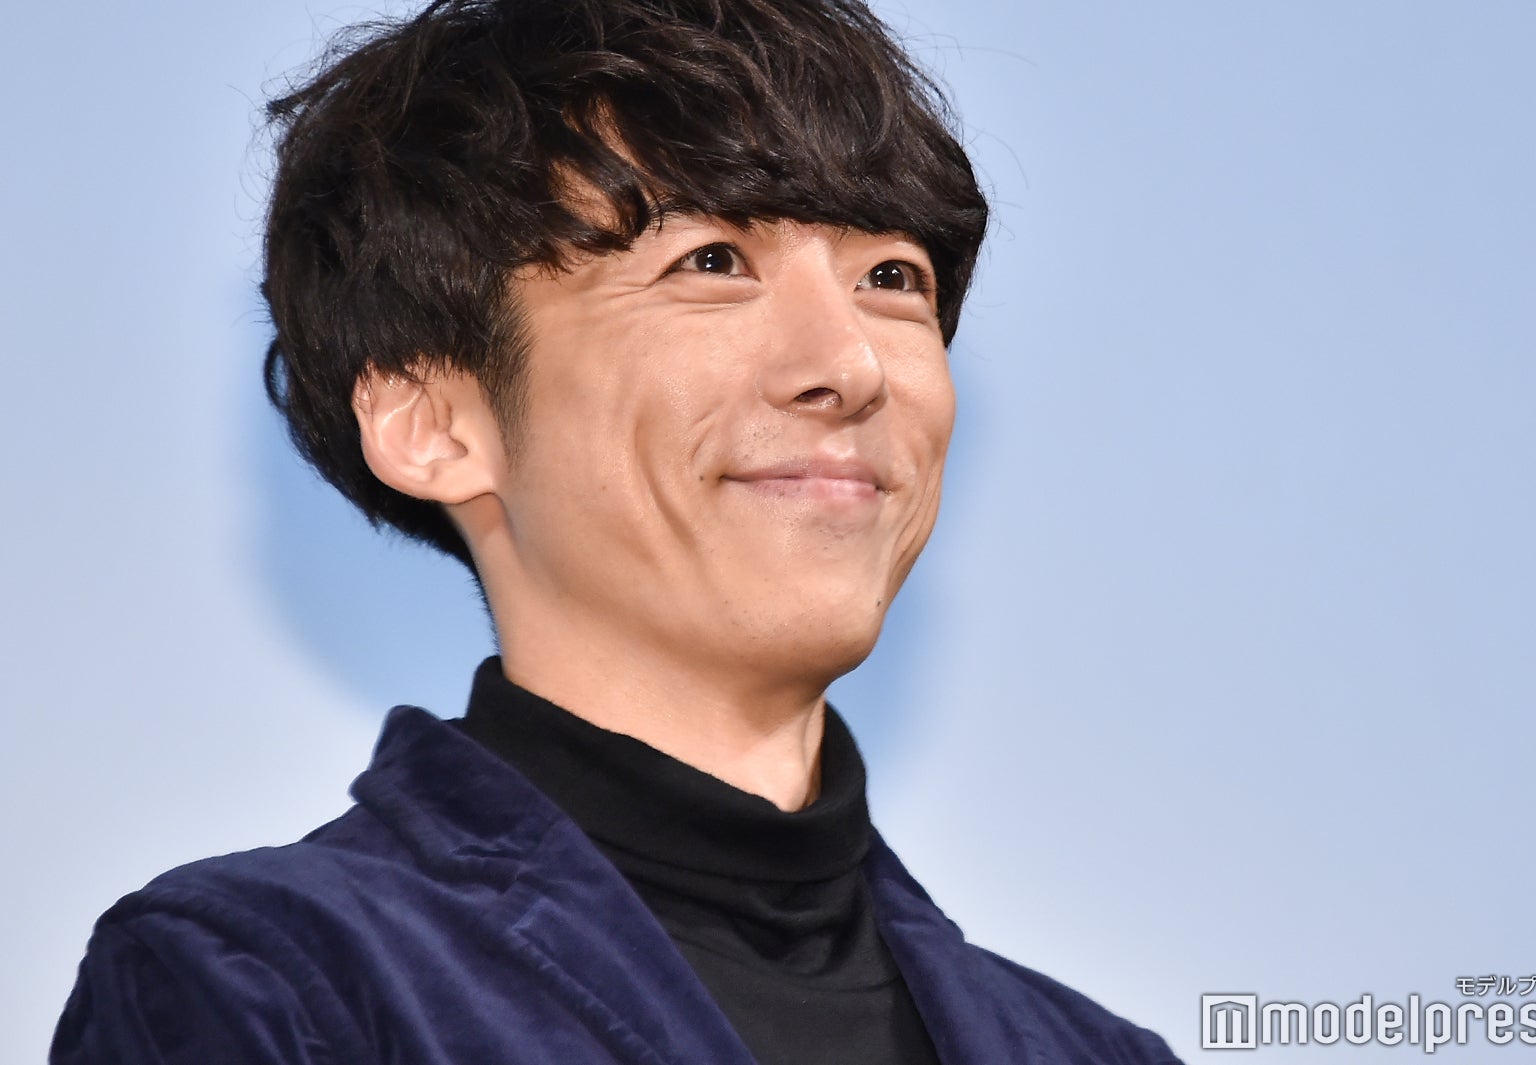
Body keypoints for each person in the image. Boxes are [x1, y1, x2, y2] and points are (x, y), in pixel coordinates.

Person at [54, 0, 1181, 1061]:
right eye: (712, 262)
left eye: (892, 278)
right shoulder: (268, 984)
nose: (849, 365)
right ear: (431, 423)